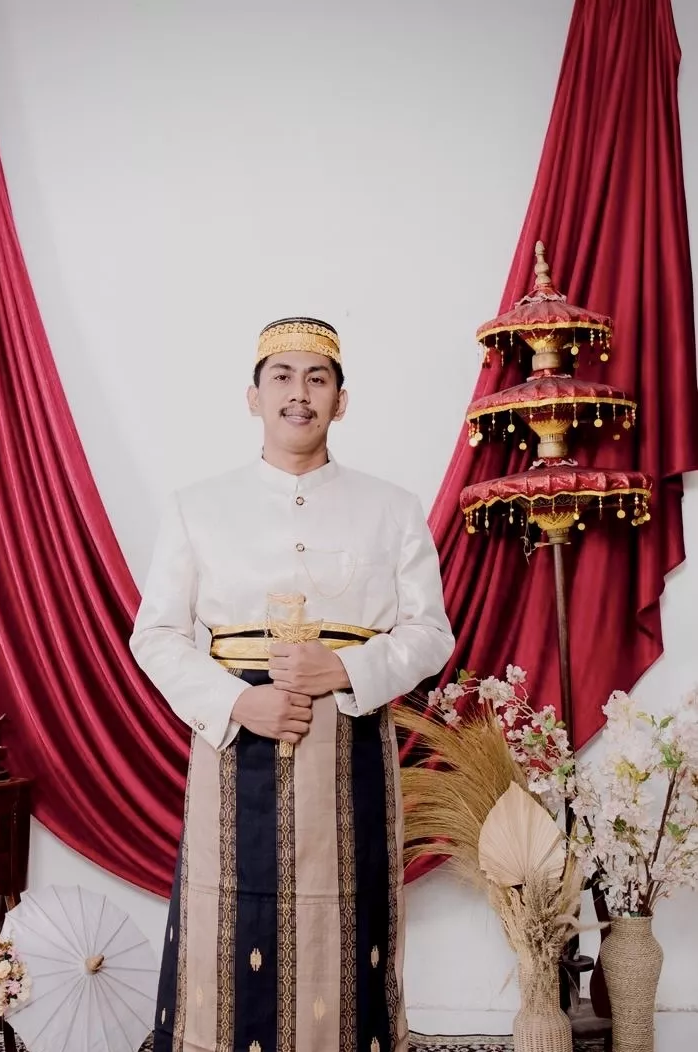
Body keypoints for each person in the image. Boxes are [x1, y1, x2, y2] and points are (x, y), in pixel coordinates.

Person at [130, 317, 454, 1052]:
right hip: (234, 741)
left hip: (350, 742)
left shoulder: (393, 508)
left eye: (318, 378)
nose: (299, 393)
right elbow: (155, 635)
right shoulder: (196, 506)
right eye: (282, 376)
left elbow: (431, 634)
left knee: (351, 915)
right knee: (231, 915)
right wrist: (238, 701)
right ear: (253, 397)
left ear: (342, 400)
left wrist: (344, 669)